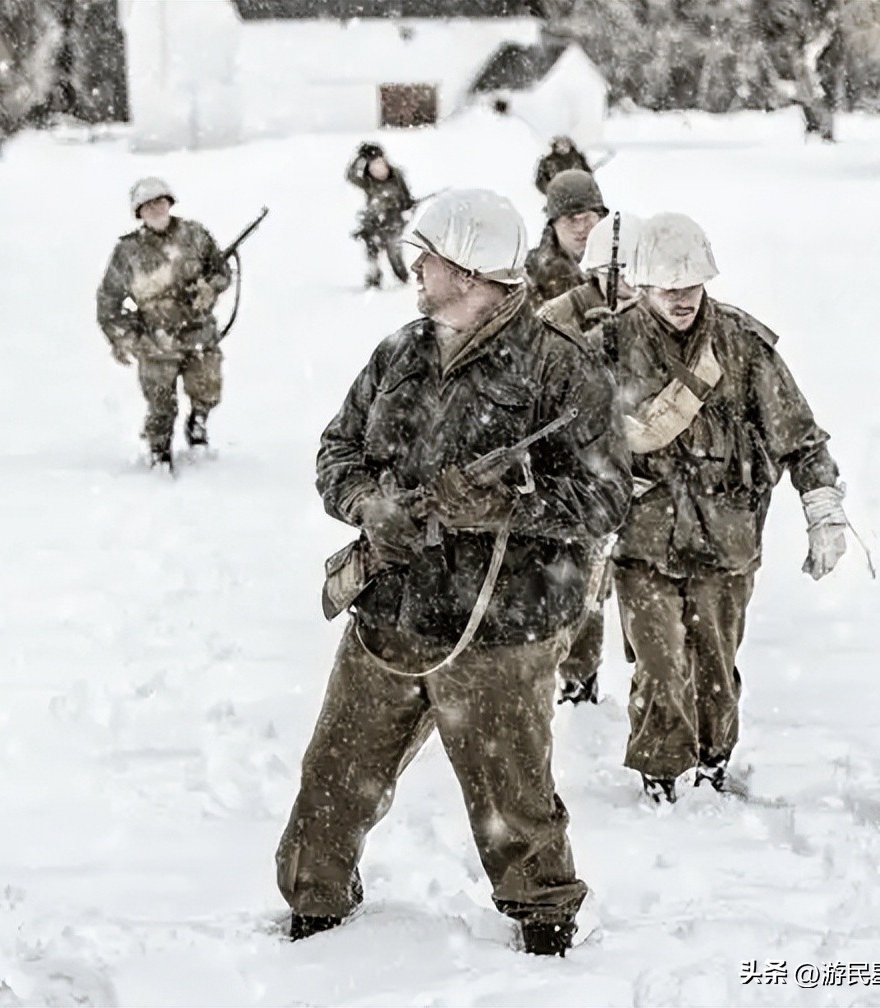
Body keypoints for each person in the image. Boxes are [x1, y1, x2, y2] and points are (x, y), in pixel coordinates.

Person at [275, 189, 632, 956]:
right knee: (333, 778)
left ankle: (545, 924)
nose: (416, 269)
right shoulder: (399, 352)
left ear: (467, 271)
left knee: (516, 803)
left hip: (504, 629)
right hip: (391, 612)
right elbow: (337, 451)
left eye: (427, 258)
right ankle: (316, 907)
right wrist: (370, 504)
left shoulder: (561, 372)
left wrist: (512, 500)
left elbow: (606, 497)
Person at [598, 212, 850, 804]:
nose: (682, 299)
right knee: (658, 666)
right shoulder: (606, 345)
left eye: (691, 285)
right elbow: (564, 438)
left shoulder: (741, 343)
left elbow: (800, 436)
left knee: (715, 662)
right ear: (641, 285)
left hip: (726, 536)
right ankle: (659, 771)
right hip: (643, 541)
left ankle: (713, 763)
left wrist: (824, 509)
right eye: (668, 287)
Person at [538, 212, 642, 706]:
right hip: (590, 465)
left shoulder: (663, 311)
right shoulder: (561, 313)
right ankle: (579, 676)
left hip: (652, 474)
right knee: (586, 583)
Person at [96, 177, 232, 470]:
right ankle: (160, 451)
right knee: (160, 404)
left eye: (160, 202)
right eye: (147, 206)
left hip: (199, 333)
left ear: (170, 203)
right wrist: (124, 336)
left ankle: (198, 424)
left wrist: (209, 287)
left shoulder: (195, 235)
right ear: (139, 213)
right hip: (156, 339)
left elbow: (221, 271)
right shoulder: (128, 252)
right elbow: (108, 301)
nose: (156, 209)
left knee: (207, 388)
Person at [525, 169, 607, 309]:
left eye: (588, 218)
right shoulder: (531, 272)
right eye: (571, 220)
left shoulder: (622, 266)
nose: (581, 228)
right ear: (553, 224)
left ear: (600, 218)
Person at [346, 141, 415, 289]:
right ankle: (374, 278)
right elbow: (351, 176)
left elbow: (406, 198)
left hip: (393, 222)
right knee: (372, 249)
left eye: (380, 163)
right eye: (373, 165)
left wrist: (408, 207)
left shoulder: (396, 176)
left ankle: (404, 280)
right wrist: (360, 159)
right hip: (374, 222)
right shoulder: (368, 182)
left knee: (394, 253)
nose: (378, 169)